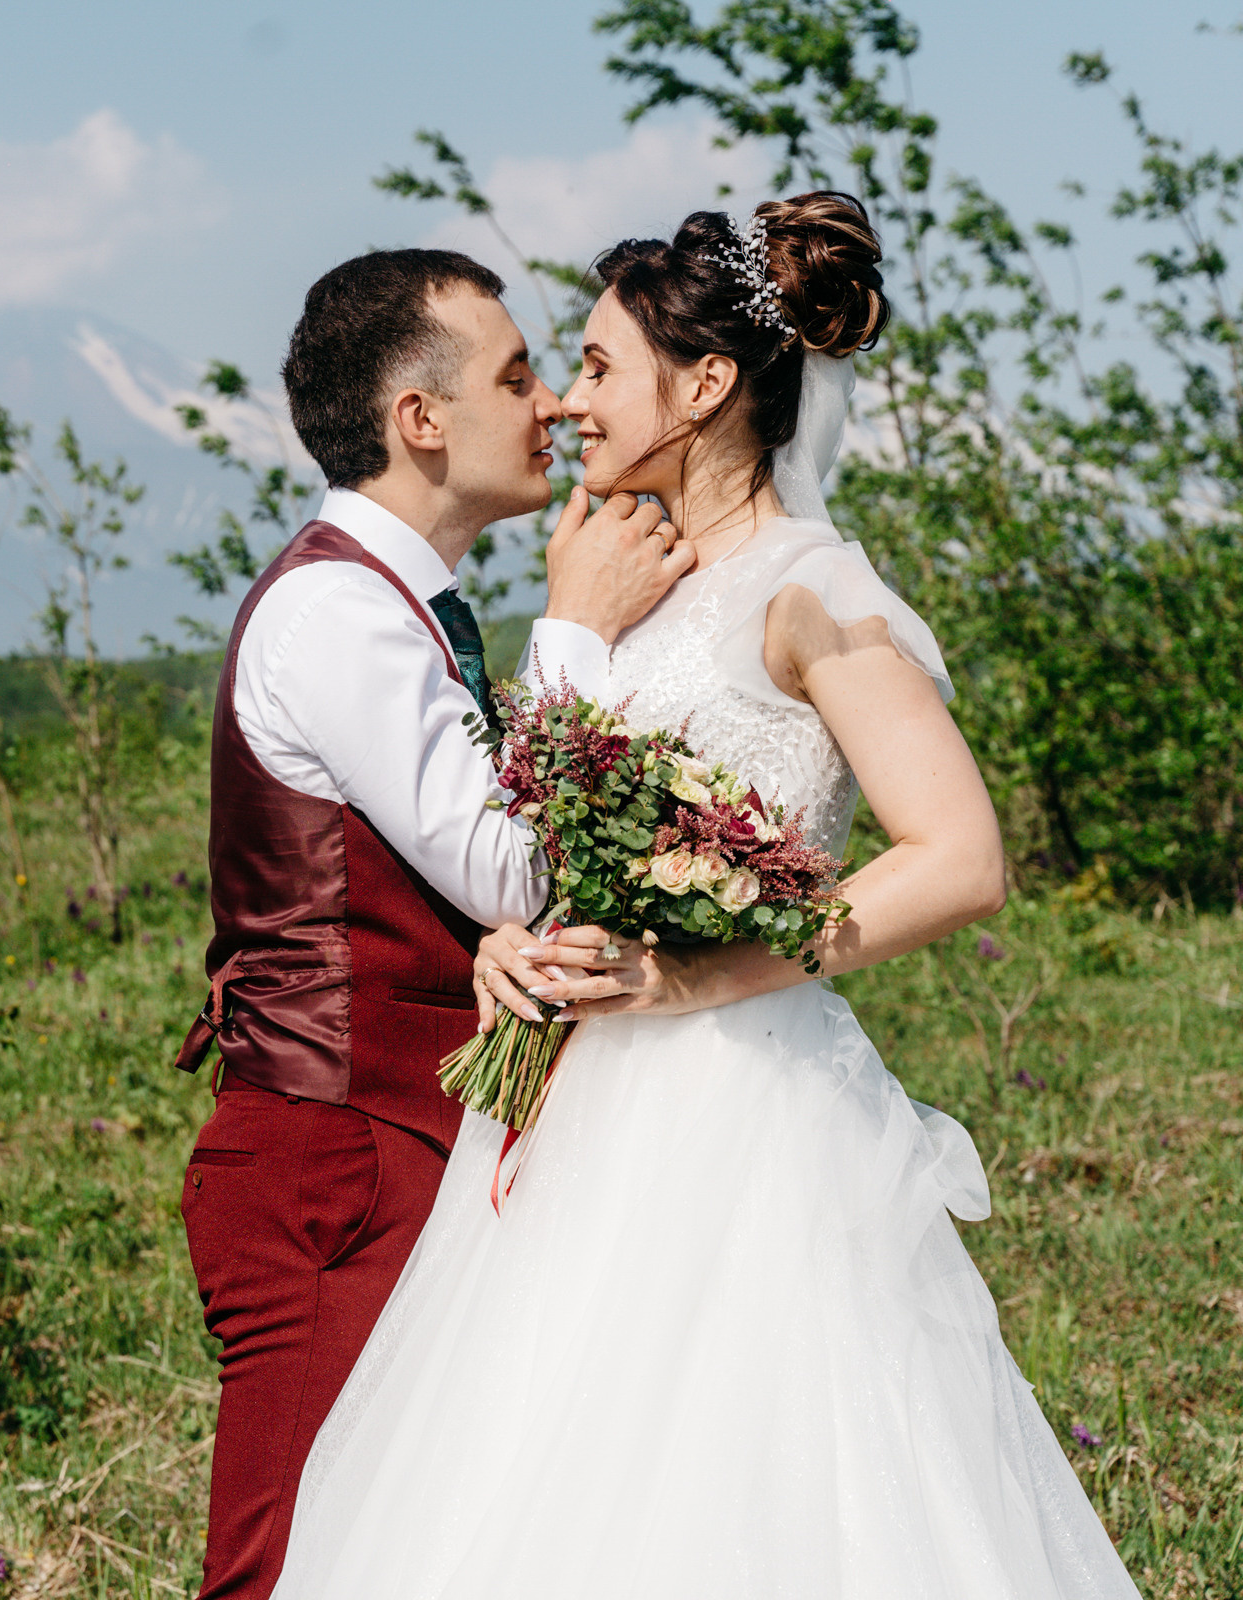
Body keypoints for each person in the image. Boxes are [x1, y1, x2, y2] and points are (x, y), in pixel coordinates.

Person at [268, 195, 1141, 1599]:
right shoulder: (634, 578)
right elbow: (555, 837)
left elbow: (959, 857)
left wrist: (694, 978)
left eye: (598, 367)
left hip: (743, 1107)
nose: (568, 401)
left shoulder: (810, 590)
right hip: (575, 1110)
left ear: (706, 386)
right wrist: (513, 941)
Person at [173, 248, 693, 1600]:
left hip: (402, 1139)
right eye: (517, 378)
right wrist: (573, 631)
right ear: (420, 418)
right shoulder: (335, 610)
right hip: (336, 1155)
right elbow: (510, 870)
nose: (553, 404)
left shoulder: (401, 606)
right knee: (284, 1565)